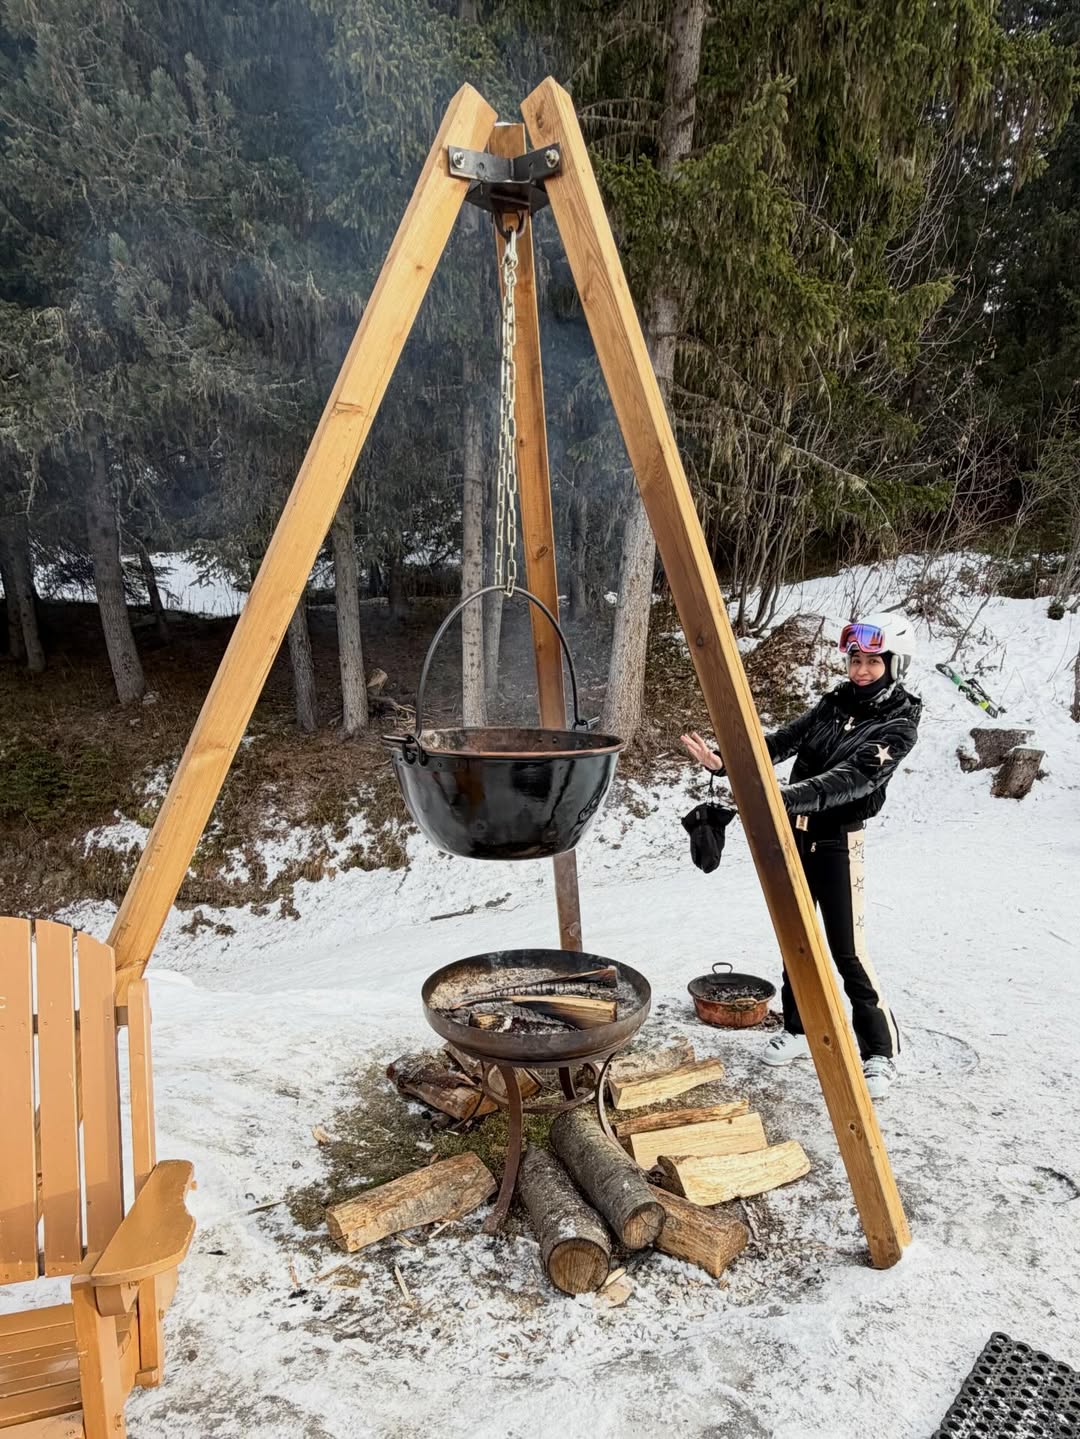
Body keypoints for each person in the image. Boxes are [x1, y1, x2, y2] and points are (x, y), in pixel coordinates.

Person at [680, 612, 921, 1100]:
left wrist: (776, 796)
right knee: (795, 936)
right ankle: (799, 1027)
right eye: (855, 659)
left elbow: (850, 780)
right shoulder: (834, 704)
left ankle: (880, 1051)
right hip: (795, 836)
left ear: (895, 664)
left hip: (838, 841)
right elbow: (782, 743)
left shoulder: (898, 725)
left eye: (873, 662)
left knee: (846, 948)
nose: (860, 670)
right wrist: (727, 763)